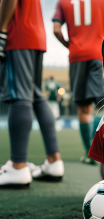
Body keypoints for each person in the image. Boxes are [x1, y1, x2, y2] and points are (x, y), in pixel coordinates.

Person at [0, 0, 64, 187]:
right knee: (36, 96)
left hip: (17, 33)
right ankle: (54, 161)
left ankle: (18, 166)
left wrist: (1, 31)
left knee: (19, 95)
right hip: (35, 34)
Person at [52, 0, 104, 164]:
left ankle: (90, 154)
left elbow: (56, 29)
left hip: (76, 57)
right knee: (102, 105)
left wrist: (70, 46)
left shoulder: (63, 1)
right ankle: (98, 152)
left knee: (83, 110)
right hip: (99, 55)